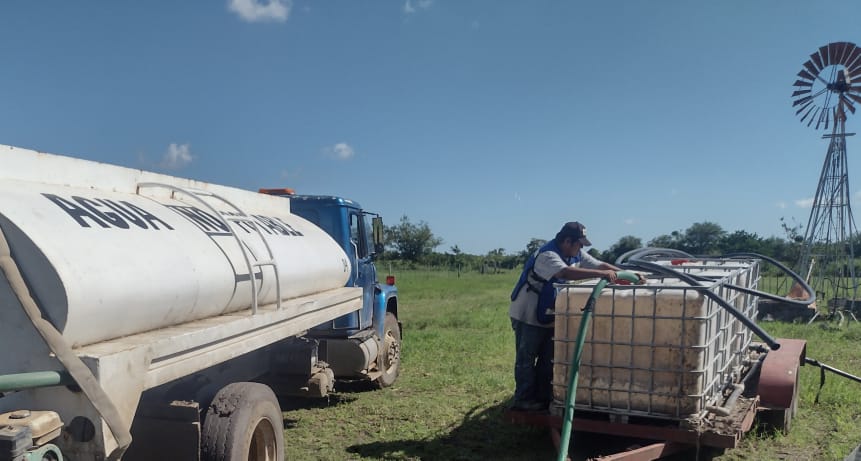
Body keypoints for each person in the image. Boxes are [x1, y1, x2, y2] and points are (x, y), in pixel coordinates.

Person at [508, 221, 629, 412]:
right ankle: (523, 399)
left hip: (550, 312)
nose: (581, 248)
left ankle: (541, 397)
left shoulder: (575, 253)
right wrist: (603, 274)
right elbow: (565, 272)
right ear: (567, 241)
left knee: (549, 358)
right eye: (579, 244)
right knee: (527, 358)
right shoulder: (548, 255)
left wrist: (624, 274)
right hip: (527, 313)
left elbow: (599, 264)